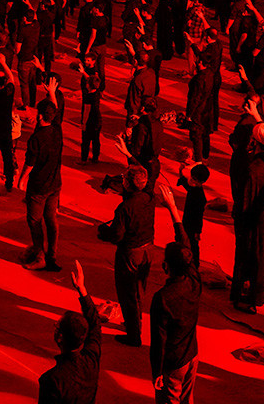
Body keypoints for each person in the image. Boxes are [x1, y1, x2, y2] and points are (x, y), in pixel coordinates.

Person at [150, 185, 201, 404]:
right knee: (187, 398)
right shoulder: (194, 281)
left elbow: (159, 340)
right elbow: (185, 243)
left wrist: (157, 371)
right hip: (192, 354)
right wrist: (173, 209)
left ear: (165, 267)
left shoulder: (163, 298)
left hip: (173, 362)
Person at [231, 111, 264, 314]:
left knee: (249, 256)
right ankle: (260, 293)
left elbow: (246, 200)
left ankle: (247, 295)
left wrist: (240, 219)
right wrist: (258, 114)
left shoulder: (254, 168)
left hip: (255, 221)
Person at [99, 164, 153, 347]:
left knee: (127, 292)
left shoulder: (125, 208)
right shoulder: (148, 198)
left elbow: (116, 235)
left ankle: (133, 334)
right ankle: (135, 322)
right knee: (139, 290)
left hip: (131, 252)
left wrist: (104, 232)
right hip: (148, 249)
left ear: (128, 184)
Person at [38, 261, 101, 404]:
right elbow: (95, 324)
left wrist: (81, 290)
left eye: (57, 326)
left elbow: (95, 325)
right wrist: (82, 290)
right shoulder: (91, 362)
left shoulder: (51, 380)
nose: (55, 326)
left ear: (60, 337)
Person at [18, 99, 63, 272]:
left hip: (38, 186)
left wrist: (21, 179)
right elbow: (55, 112)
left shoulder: (36, 139)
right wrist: (52, 93)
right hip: (55, 183)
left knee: (34, 220)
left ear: (40, 116)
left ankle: (39, 255)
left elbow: (30, 163)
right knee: (51, 219)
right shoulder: (57, 131)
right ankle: (52, 255)